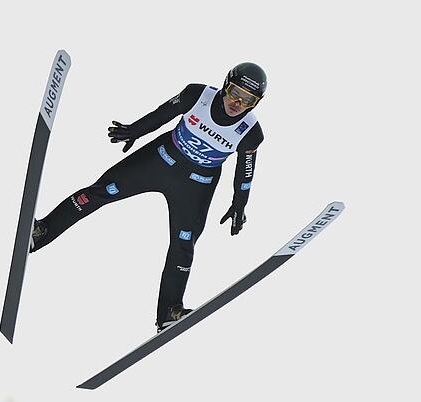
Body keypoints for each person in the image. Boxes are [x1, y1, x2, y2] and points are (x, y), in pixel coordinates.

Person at [29, 62, 267, 331]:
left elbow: (245, 172)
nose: (237, 103)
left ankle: (169, 311)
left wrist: (239, 203)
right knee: (101, 192)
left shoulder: (250, 133)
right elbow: (162, 114)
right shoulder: (197, 95)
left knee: (183, 244)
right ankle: (41, 232)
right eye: (235, 92)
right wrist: (133, 131)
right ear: (226, 85)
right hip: (159, 160)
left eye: (248, 100)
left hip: (197, 185)